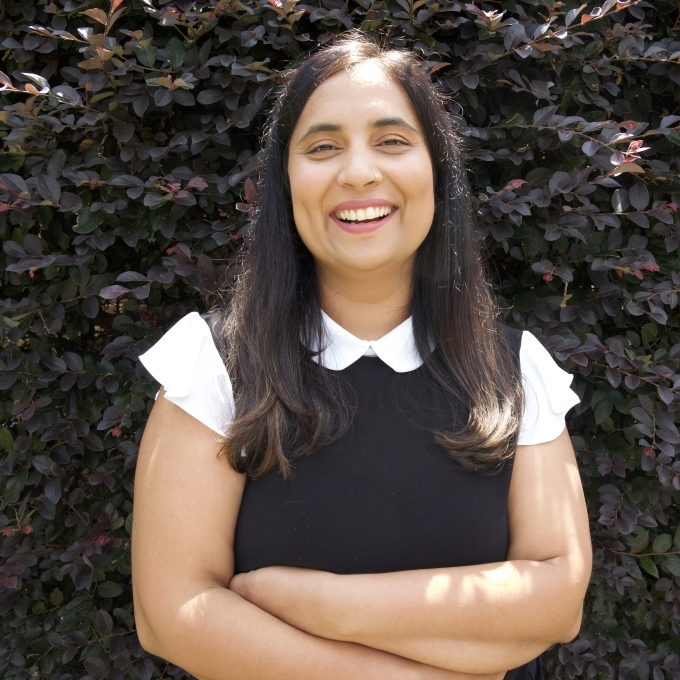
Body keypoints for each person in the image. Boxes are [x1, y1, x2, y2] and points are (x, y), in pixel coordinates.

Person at [130, 31, 592, 680]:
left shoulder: (516, 371)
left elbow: (557, 600)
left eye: (392, 141)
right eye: (322, 147)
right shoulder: (210, 362)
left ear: (438, 172)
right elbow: (171, 615)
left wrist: (323, 605)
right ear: (286, 181)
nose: (357, 172)